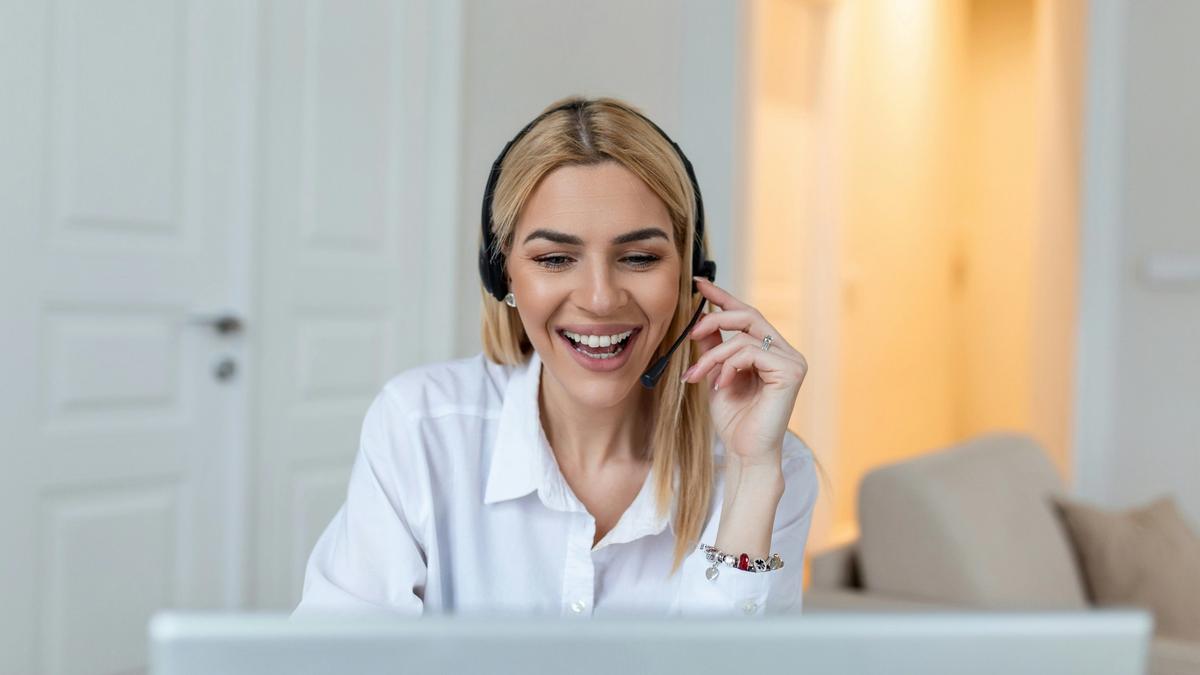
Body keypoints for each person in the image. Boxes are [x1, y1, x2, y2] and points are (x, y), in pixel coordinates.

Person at [293, 96, 819, 618]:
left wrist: (752, 477)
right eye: (555, 259)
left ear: (689, 276)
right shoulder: (421, 428)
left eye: (639, 258)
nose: (599, 298)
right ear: (503, 278)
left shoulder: (769, 463)